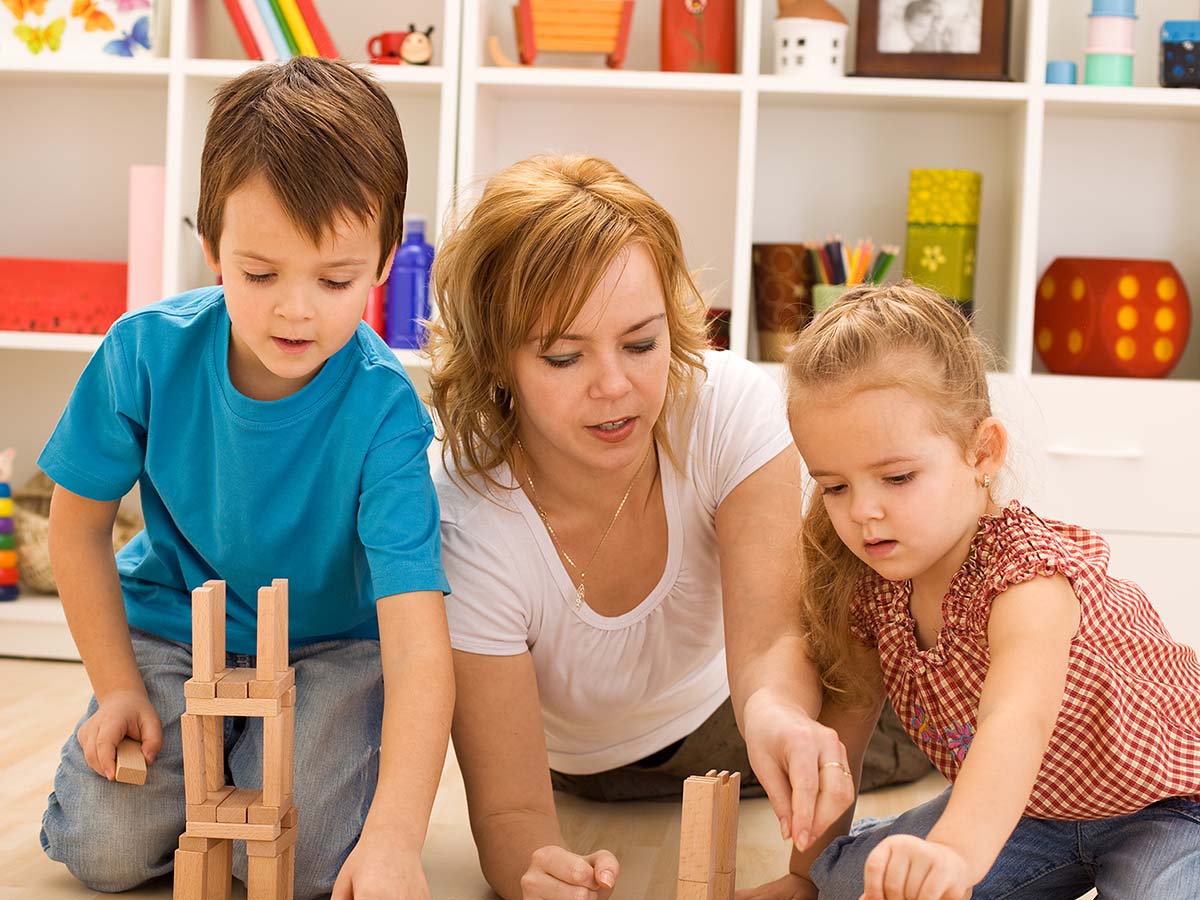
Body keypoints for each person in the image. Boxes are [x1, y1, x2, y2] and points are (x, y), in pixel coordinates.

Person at [38, 57, 453, 900]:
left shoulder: (386, 414)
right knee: (103, 852)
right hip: (170, 630)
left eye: (335, 280)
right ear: (211, 249)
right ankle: (207, 765)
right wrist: (117, 686)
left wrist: (397, 842)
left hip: (331, 650)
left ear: (382, 264)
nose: (295, 310)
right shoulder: (143, 352)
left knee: (305, 864)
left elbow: (417, 644)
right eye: (259, 274)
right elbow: (76, 525)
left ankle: (241, 766)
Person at [425, 153, 867, 900]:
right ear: (497, 360)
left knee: (926, 689)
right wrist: (538, 872)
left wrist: (782, 718)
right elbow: (511, 810)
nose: (614, 387)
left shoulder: (727, 406)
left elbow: (768, 647)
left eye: (641, 343)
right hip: (584, 772)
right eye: (564, 356)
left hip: (742, 716)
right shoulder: (466, 514)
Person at [746, 282, 1200, 900]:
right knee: (851, 882)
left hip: (1166, 806)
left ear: (981, 452)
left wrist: (957, 854)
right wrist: (807, 878)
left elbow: (1017, 720)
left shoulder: (1028, 576)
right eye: (835, 486)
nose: (863, 513)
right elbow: (843, 734)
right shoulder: (873, 591)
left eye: (897, 477)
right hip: (1030, 814)